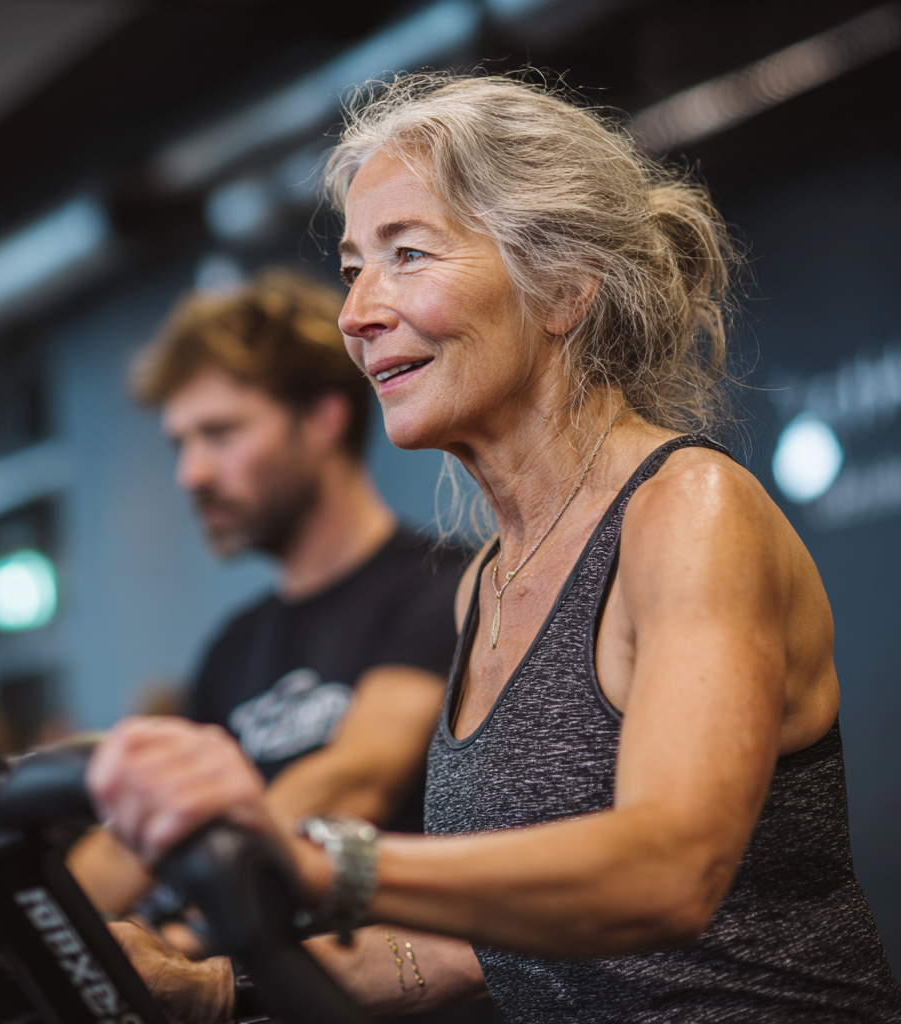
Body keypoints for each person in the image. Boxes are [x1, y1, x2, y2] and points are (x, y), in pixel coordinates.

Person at [87, 74, 901, 1023]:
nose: (355, 314)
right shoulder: (489, 580)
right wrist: (219, 988)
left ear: (562, 288)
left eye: (408, 255)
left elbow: (670, 871)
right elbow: (490, 940)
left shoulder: (688, 510)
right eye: (354, 269)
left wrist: (323, 862)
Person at [68, 270, 471, 940]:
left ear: (323, 419)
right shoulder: (234, 646)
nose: (190, 474)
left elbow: (358, 778)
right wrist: (36, 933)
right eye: (181, 443)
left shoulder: (444, 586)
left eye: (220, 434)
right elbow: (147, 829)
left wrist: (191, 932)